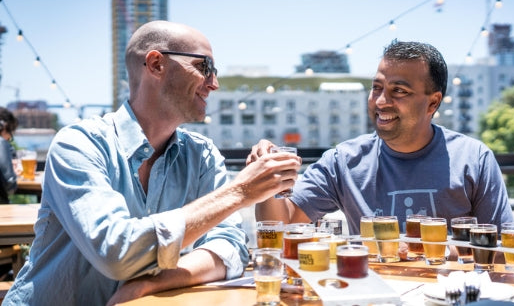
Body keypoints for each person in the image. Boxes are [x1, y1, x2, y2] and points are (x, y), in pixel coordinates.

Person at [4, 20, 300, 305]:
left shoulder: (201, 154)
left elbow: (231, 247)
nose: (214, 84)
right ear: (156, 64)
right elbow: (116, 252)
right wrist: (238, 192)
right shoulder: (79, 143)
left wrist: (152, 283)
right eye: (204, 67)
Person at [252, 40, 514, 244]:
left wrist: (427, 251)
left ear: (432, 103)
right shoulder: (344, 161)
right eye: (377, 88)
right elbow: (281, 231)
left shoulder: (473, 159)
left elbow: (502, 249)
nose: (380, 102)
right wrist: (267, 179)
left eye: (398, 91)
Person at [0, 107, 19, 204]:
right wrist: (13, 172)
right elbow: (10, 183)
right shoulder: (1, 142)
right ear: (2, 126)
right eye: (10, 131)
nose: (10, 137)